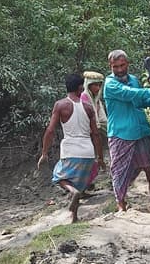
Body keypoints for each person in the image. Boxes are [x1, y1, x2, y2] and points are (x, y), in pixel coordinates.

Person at [37, 73, 104, 223]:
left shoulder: (60, 105)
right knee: (79, 183)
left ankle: (72, 192)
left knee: (59, 176)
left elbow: (50, 131)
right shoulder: (88, 107)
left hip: (70, 150)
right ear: (81, 88)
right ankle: (74, 217)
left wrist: (44, 153)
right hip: (87, 151)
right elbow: (96, 134)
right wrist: (99, 157)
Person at [103, 50, 150, 211]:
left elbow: (141, 101)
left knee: (148, 165)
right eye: (116, 67)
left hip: (140, 130)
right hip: (120, 133)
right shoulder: (110, 84)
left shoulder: (134, 80)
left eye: (122, 65)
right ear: (110, 66)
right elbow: (128, 94)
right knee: (119, 170)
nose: (120, 69)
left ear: (127, 64)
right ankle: (121, 203)